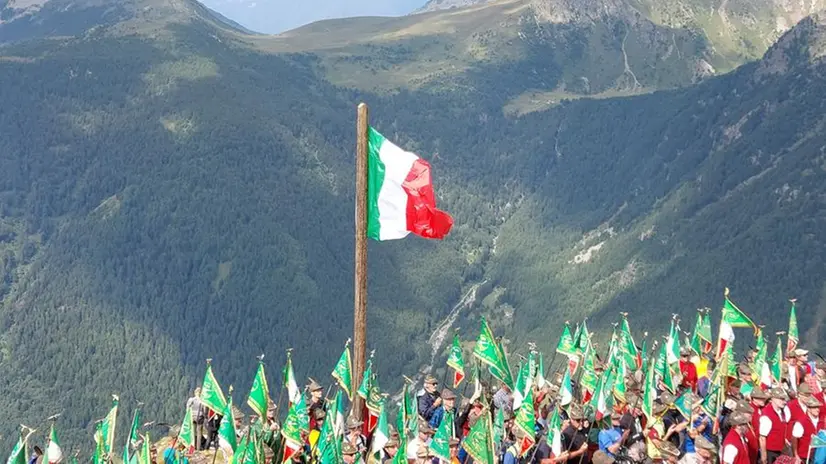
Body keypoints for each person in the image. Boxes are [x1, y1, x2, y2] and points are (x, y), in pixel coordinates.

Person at [760, 387, 790, 464]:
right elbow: (762, 438)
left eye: (784, 399)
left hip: (780, 451)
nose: (784, 402)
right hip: (771, 452)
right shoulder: (767, 414)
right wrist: (764, 456)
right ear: (773, 399)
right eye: (781, 399)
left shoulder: (782, 412)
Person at [792, 395, 823, 462]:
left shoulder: (822, 420)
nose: (817, 409)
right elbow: (794, 439)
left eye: (818, 407)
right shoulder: (801, 422)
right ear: (808, 408)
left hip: (819, 457)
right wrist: (796, 455)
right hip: (805, 457)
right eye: (814, 407)